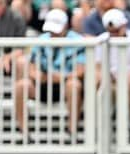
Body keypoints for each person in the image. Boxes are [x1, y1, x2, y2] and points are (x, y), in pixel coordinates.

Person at [14, 8, 86, 141]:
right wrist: (39, 76)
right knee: (21, 85)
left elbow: (81, 70)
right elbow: (31, 67)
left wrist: (60, 77)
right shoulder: (41, 40)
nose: (53, 34)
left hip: (65, 85)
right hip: (42, 84)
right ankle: (23, 133)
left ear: (65, 26)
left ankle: (72, 131)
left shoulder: (78, 41)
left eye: (56, 30)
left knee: (74, 85)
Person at [95, 8, 130, 130]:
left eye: (116, 31)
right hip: (110, 80)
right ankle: (102, 126)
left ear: (124, 25)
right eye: (111, 32)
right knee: (99, 82)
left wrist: (126, 77)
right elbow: (97, 67)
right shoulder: (101, 40)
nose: (114, 34)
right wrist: (106, 76)